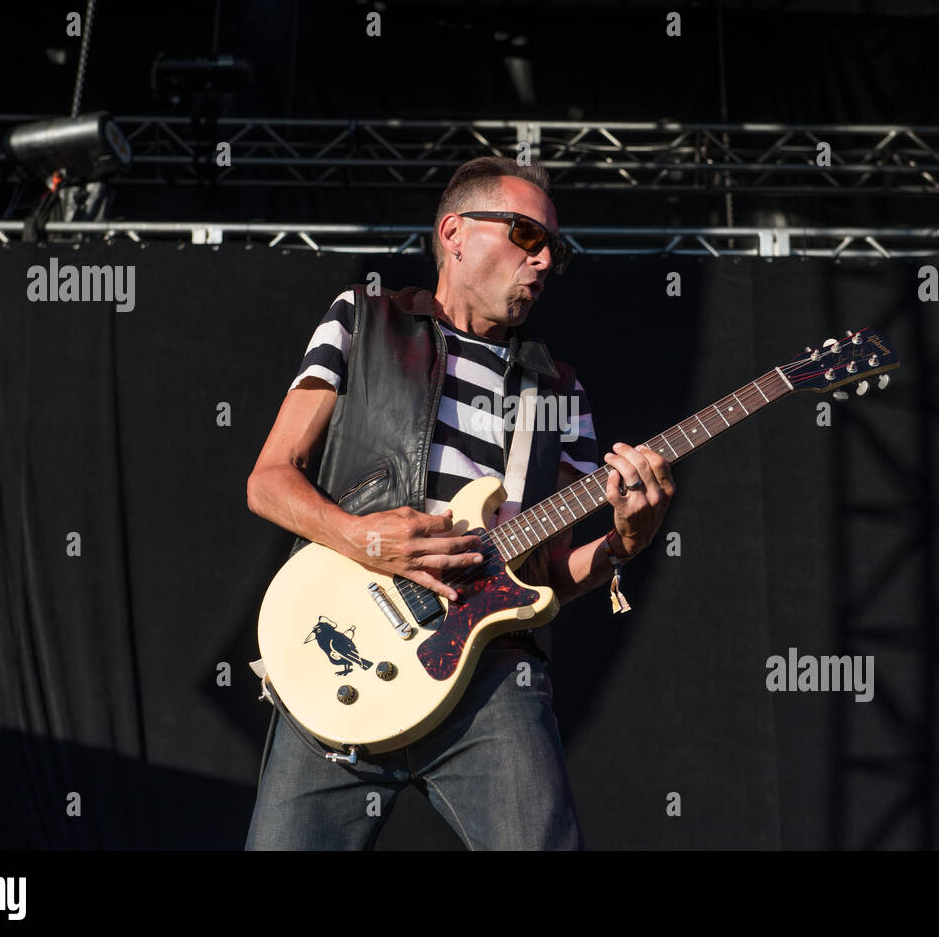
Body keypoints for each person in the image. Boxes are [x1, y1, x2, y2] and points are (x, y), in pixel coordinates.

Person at [243, 156, 674, 850]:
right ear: (454, 231)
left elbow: (551, 577)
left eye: (555, 252)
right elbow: (269, 479)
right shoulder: (363, 318)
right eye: (528, 236)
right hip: (349, 651)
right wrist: (363, 538)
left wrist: (626, 542)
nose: (543, 262)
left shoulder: (559, 390)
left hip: (494, 676)